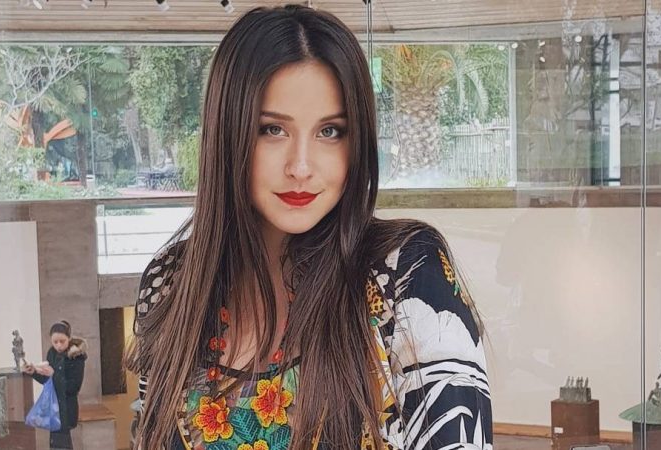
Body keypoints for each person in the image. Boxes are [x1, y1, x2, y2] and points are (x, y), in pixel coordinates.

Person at [126, 5, 492, 450]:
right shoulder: (171, 283)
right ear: (227, 133)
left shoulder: (406, 273)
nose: (301, 167)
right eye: (272, 129)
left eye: (330, 132)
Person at [23, 320, 87, 449]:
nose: (58, 345)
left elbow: (74, 388)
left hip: (66, 409)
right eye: (55, 342)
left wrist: (54, 374)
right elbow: (48, 382)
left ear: (69, 338)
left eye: (62, 341)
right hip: (53, 408)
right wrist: (34, 372)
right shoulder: (52, 353)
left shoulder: (76, 357)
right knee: (55, 445)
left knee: (63, 445)